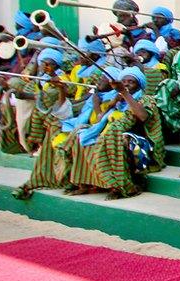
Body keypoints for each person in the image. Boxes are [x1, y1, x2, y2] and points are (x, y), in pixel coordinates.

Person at [14, 67, 121, 199]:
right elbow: (72, 108)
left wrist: (96, 104)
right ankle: (45, 178)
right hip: (85, 127)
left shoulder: (114, 99)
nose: (98, 81)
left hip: (98, 131)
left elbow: (100, 120)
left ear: (112, 83)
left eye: (103, 79)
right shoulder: (95, 96)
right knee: (54, 127)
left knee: (77, 137)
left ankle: (82, 183)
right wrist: (62, 89)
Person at [65, 66, 165, 199]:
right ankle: (86, 184)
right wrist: (113, 103)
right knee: (80, 135)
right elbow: (100, 120)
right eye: (124, 81)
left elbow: (142, 116)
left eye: (131, 81)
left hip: (140, 141)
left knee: (116, 138)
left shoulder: (145, 99)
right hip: (112, 133)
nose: (127, 84)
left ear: (139, 84)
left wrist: (125, 94)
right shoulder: (116, 99)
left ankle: (120, 185)